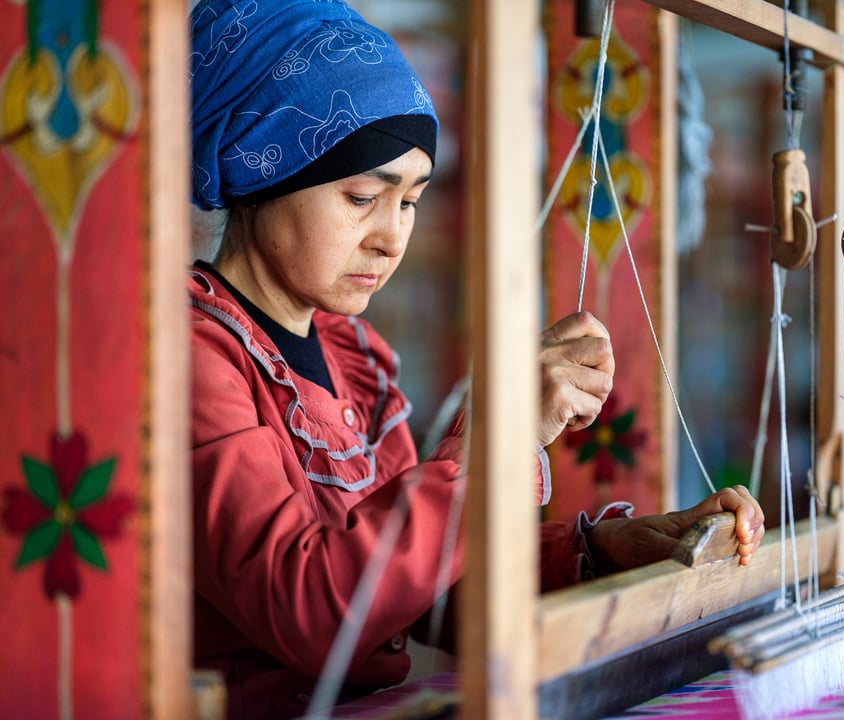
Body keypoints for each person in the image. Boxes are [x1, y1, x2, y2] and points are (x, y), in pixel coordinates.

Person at [188, 1, 766, 718]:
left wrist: (602, 553)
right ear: (258, 171)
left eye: (411, 201)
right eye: (363, 196)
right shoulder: (193, 358)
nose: (390, 237)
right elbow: (315, 609)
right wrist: (501, 441)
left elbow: (425, 593)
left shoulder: (355, 358)